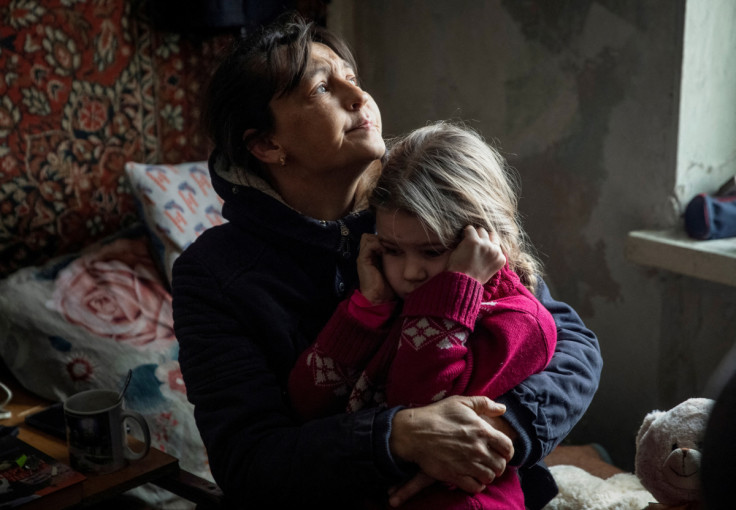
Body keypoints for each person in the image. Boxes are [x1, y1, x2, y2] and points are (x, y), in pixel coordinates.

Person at [171, 12, 602, 510]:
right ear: (267, 144)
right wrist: (399, 436)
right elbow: (249, 460)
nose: (359, 98)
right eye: (320, 89)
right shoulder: (214, 275)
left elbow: (571, 342)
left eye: (351, 80)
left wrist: (491, 434)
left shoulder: (418, 198)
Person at [288, 121, 557, 509]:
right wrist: (366, 309)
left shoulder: (519, 321)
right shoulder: (387, 296)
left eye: (432, 252)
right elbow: (306, 403)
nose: (411, 272)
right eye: (394, 249)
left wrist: (456, 289)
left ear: (485, 238)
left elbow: (418, 403)